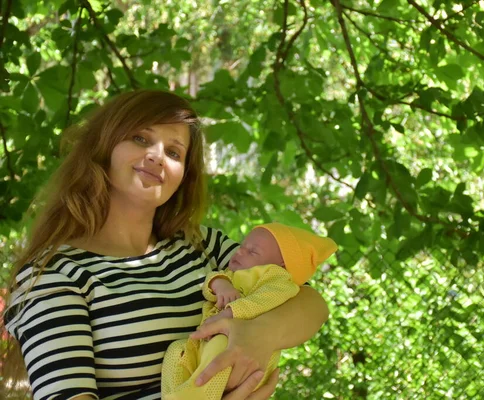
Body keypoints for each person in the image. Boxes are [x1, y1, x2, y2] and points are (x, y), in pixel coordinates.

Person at [1, 90, 330, 400]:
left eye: (174, 152)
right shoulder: (51, 275)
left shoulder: (200, 244)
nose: (156, 156)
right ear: (103, 147)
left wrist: (261, 336)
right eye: (140, 138)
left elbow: (310, 302)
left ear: (183, 176)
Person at [161, 222, 337, 399]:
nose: (239, 251)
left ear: (282, 264)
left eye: (252, 251)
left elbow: (266, 300)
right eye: (242, 245)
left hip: (233, 342)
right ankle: (176, 393)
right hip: (203, 344)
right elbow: (211, 281)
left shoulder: (278, 279)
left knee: (221, 353)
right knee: (176, 351)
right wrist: (221, 284)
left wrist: (232, 311)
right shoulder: (234, 273)